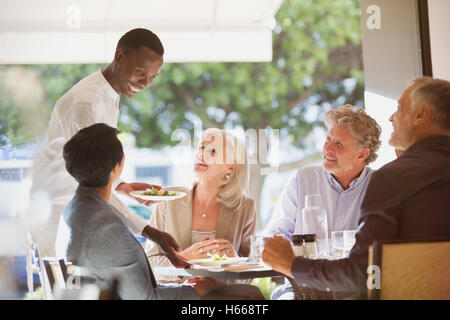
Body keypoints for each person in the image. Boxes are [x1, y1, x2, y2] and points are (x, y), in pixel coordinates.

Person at [262, 77, 450, 298]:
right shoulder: (304, 178)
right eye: (328, 139)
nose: (391, 117)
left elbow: (364, 275)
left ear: (421, 115)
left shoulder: (394, 178)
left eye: (399, 108)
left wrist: (292, 265)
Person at [29, 28, 185, 267]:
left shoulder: (108, 93)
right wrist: (150, 231)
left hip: (78, 211)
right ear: (119, 57)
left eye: (152, 77)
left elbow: (96, 170)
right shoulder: (87, 102)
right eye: (140, 72)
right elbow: (92, 180)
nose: (145, 83)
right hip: (61, 217)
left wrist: (123, 186)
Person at [263, 104, 381, 299]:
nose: (327, 149)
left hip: (355, 290)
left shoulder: (379, 186)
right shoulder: (302, 179)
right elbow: (275, 236)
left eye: (339, 144)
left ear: (362, 153)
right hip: (299, 287)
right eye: (328, 140)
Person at [146, 128, 256, 282]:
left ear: (230, 167)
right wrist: (183, 259)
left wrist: (235, 259)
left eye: (213, 152)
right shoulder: (168, 200)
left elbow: (249, 272)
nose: (201, 154)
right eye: (201, 147)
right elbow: (149, 265)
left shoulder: (245, 207)